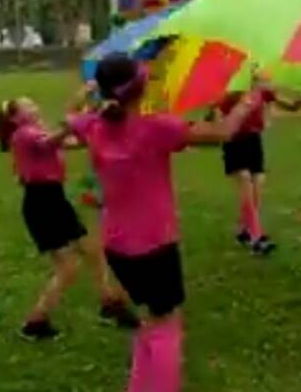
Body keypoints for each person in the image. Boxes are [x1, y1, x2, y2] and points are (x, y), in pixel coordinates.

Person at [66, 52, 256, 392]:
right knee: (167, 325)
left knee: (149, 321)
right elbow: (224, 132)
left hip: (116, 247)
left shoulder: (92, 126)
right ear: (141, 88)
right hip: (155, 245)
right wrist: (252, 98)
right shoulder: (156, 128)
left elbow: (70, 117)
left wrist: (87, 92)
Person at [0, 95, 137, 341]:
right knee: (68, 268)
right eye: (28, 105)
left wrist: (91, 118)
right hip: (43, 203)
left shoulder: (35, 132)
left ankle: (110, 305)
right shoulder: (24, 134)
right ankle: (34, 323)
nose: (35, 106)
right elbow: (53, 141)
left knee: (92, 251)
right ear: (15, 118)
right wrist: (80, 118)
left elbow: (72, 142)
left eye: (33, 102)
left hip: (53, 201)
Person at [212, 67, 301, 255]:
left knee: (256, 192)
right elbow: (216, 118)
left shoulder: (263, 93)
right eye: (256, 75)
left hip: (253, 142)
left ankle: (243, 230)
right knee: (246, 186)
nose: (260, 78)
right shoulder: (232, 94)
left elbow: (291, 106)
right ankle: (257, 239)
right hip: (234, 143)